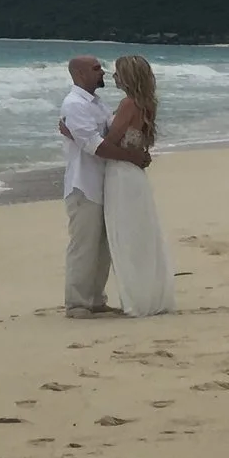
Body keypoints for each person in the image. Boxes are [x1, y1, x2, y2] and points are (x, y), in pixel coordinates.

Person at [102, 54, 177, 316]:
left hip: (121, 174)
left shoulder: (128, 104)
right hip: (134, 175)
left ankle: (137, 299)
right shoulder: (146, 105)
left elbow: (110, 141)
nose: (113, 77)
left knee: (127, 237)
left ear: (128, 77)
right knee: (140, 235)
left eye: (118, 72)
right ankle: (148, 295)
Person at [56, 55, 121, 316]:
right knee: (83, 245)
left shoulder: (97, 104)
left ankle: (95, 299)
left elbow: (110, 133)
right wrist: (133, 157)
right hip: (83, 184)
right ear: (80, 74)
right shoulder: (74, 104)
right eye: (96, 69)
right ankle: (77, 302)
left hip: (103, 182)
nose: (102, 73)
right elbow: (95, 145)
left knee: (102, 246)